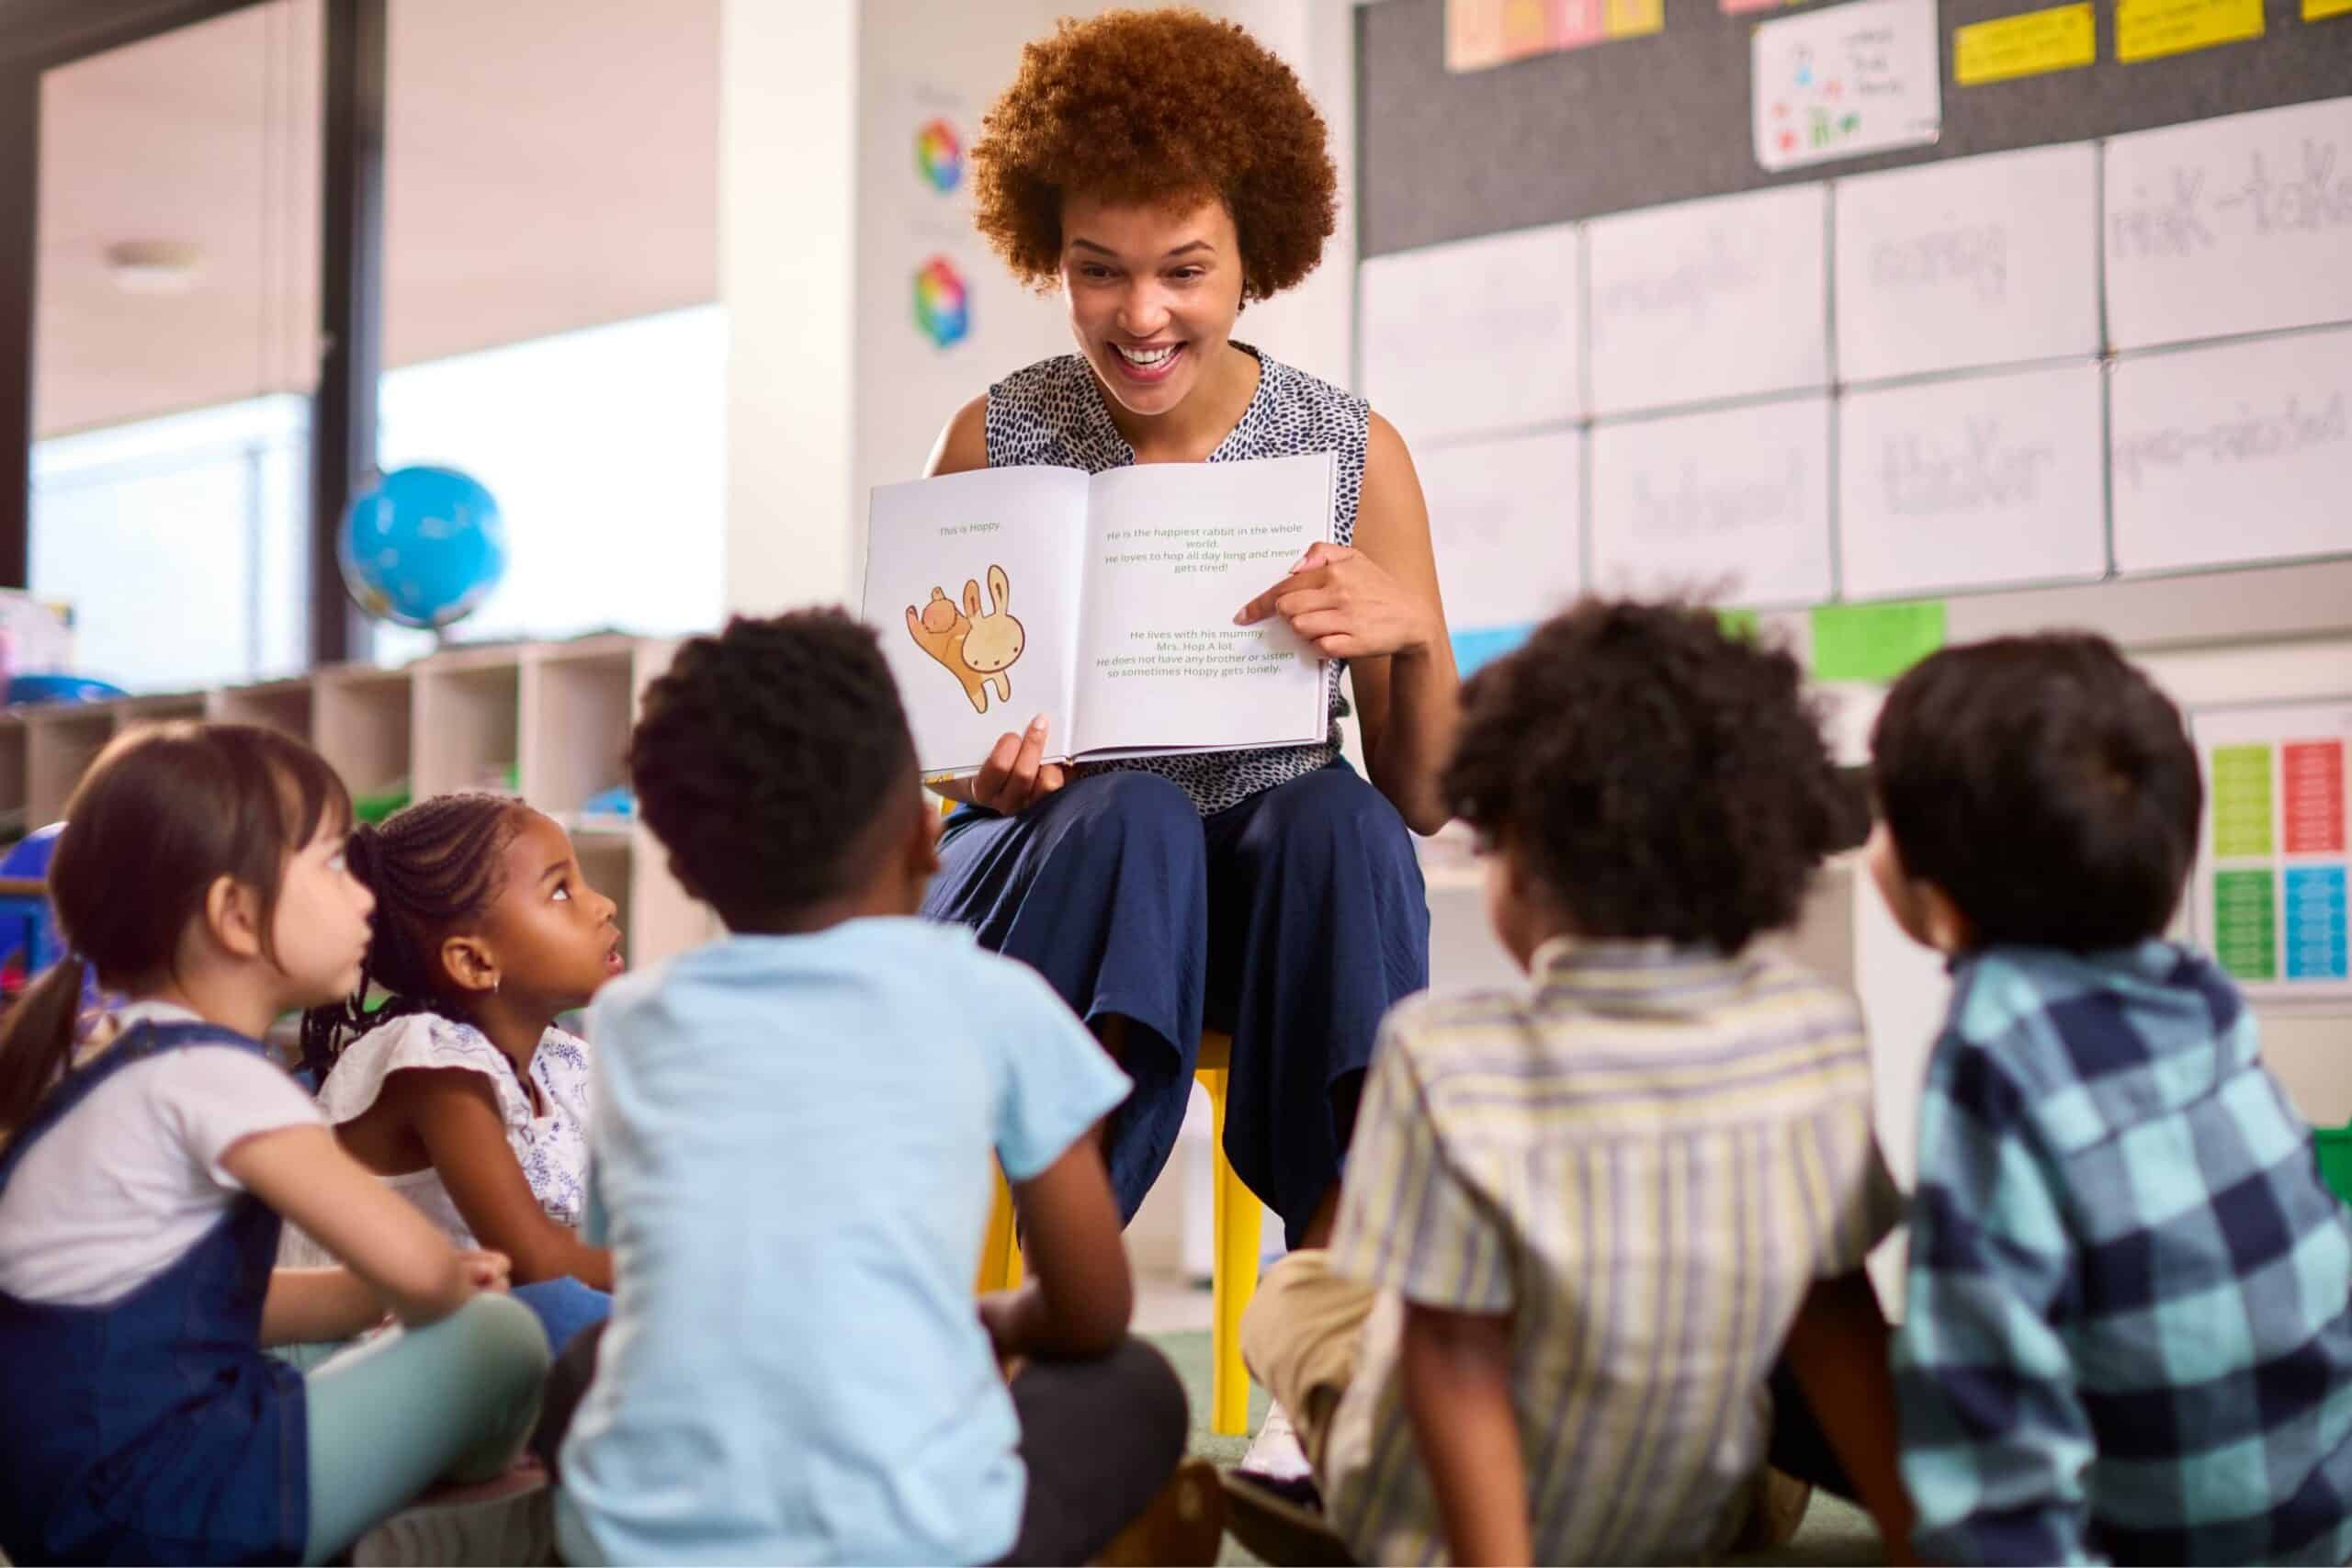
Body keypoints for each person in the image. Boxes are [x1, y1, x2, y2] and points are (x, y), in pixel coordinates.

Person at [924, 19, 1454, 1480]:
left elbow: (1421, 796)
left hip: (1267, 896)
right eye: (1100, 266)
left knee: (1339, 817)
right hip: (1065, 873)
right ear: (1052, 253)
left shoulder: (1350, 447)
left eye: (1185, 268)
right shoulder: (997, 432)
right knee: (1135, 814)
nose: (1139, 313)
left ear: (1254, 257)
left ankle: (1324, 1352)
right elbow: (938, 757)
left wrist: (1405, 627)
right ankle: (1067, 1310)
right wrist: (986, 771)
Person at [1234, 602, 1917, 1566]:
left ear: (1508, 840)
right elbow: (1834, 1314)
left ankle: (1337, 1500)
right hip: (1698, 1516)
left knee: (1299, 1289)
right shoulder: (1812, 1033)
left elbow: (1449, 1352)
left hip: (1451, 1523)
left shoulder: (1444, 1057)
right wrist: (1915, 1535)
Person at [546, 612, 1221, 1566]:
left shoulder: (628, 1023)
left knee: (583, 1366)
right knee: (1136, 1386)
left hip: (643, 1542)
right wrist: (992, 1321)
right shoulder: (992, 1001)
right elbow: (1089, 1306)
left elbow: (637, 1267)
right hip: (915, 1541)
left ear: (687, 867)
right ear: (922, 832)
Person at [0, 722, 547, 1566]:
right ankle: (431, 1524)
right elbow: (420, 1268)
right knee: (502, 1337)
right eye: (331, 864)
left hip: (65, 1509)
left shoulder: (113, 1064)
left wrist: (360, 1300)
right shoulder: (220, 1077)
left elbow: (197, 1308)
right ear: (237, 913)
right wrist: (445, 1283)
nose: (362, 896)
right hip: (179, 1501)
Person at [1871, 633, 2352, 1565]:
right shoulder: (2194, 997)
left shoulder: (1995, 1045)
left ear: (1947, 905)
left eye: (1883, 818)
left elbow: (1981, 1395)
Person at [291, 794, 623, 1356]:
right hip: (358, 1360)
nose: (605, 905)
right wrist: (692, 1273)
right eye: (561, 891)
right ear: (474, 962)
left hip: (474, 1337)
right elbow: (536, 1261)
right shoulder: (428, 1063)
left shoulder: (563, 1062)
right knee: (566, 1313)